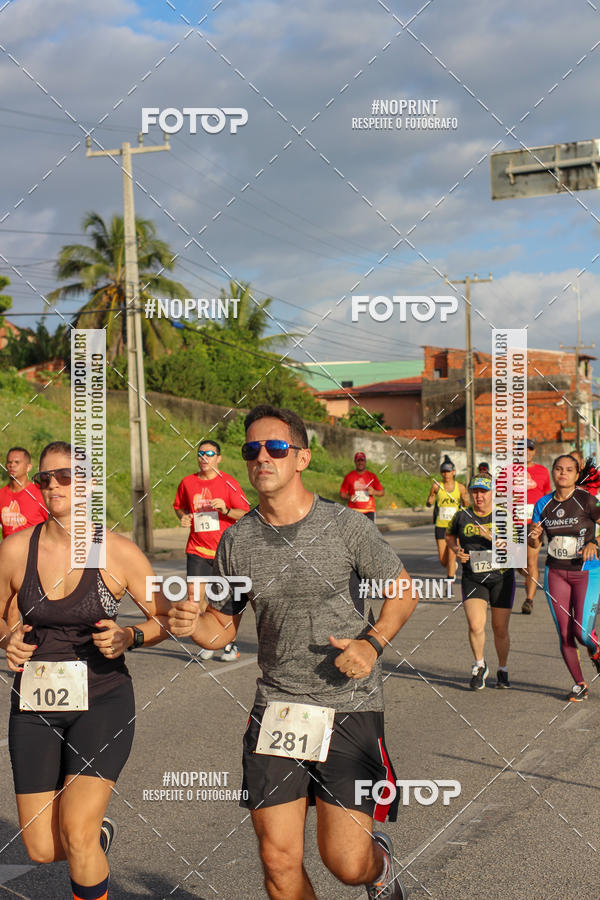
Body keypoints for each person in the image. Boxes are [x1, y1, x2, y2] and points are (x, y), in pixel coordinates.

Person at [169, 404, 417, 900]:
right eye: (252, 449)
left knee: (346, 863)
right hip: (278, 709)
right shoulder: (236, 541)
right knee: (279, 861)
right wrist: (191, 626)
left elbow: (403, 589)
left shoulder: (346, 526)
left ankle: (379, 867)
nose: (263, 457)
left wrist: (372, 643)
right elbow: (222, 628)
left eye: (276, 447)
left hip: (348, 706)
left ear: (300, 458)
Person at [0, 441, 170, 900]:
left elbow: (163, 620)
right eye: (45, 479)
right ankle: (96, 836)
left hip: (104, 699)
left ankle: (87, 840)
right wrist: (5, 638)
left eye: (67, 477)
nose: (54, 486)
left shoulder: (116, 552)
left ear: (89, 486)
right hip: (35, 701)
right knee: (40, 848)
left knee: (76, 833)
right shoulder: (16, 550)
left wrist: (128, 637)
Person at [528, 454, 600, 701]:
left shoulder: (586, 501)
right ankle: (580, 683)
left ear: (576, 475)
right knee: (565, 633)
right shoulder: (542, 504)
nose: (563, 473)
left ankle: (595, 649)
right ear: (552, 472)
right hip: (555, 572)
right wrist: (533, 535)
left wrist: (594, 543)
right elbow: (535, 541)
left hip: (587, 572)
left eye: (569, 469)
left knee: (581, 631)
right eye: (559, 469)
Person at [173, 439, 249, 661]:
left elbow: (244, 512)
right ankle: (208, 640)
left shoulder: (229, 483)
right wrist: (184, 517)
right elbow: (179, 506)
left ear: (218, 458)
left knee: (223, 601)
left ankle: (229, 644)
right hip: (197, 549)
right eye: (201, 453)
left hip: (223, 553)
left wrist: (225, 509)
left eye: (210, 453)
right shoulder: (187, 482)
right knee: (195, 599)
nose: (204, 457)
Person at [445, 474, 515, 690]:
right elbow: (449, 536)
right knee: (476, 625)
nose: (479, 496)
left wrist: (490, 538)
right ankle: (479, 665)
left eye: (484, 491)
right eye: (475, 491)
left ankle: (502, 670)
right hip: (473, 577)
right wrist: (457, 551)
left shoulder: (503, 516)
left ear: (492, 493)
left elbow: (515, 548)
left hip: (501, 577)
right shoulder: (462, 516)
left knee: (499, 628)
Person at [426, 455, 469, 581]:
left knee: (452, 555)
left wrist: (466, 500)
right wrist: (429, 501)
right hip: (440, 525)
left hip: (454, 527)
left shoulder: (460, 487)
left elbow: (466, 505)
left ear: (453, 472)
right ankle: (451, 567)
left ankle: (449, 582)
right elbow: (429, 502)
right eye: (443, 471)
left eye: (448, 471)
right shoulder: (436, 486)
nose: (446, 474)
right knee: (443, 560)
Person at [521, 439, 551, 615]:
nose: (527, 452)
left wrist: (547, 522)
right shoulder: (508, 472)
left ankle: (529, 600)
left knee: (532, 561)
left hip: (534, 523)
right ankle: (530, 578)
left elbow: (548, 498)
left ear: (534, 452)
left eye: (530, 449)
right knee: (516, 564)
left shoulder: (543, 472)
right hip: (514, 524)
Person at [0, 446, 48, 539]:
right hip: (8, 552)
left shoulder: (40, 494)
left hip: (34, 551)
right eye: (9, 462)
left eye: (17, 462)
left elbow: (54, 527)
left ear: (28, 467)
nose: (12, 465)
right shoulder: (1, 495)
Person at [339, 451, 384, 522]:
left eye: (362, 460)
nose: (360, 463)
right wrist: (349, 497)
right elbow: (342, 494)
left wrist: (374, 492)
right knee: (354, 532)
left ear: (365, 462)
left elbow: (382, 492)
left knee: (369, 532)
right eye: (358, 461)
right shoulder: (349, 477)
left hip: (369, 510)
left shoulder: (372, 476)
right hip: (353, 510)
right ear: (355, 462)